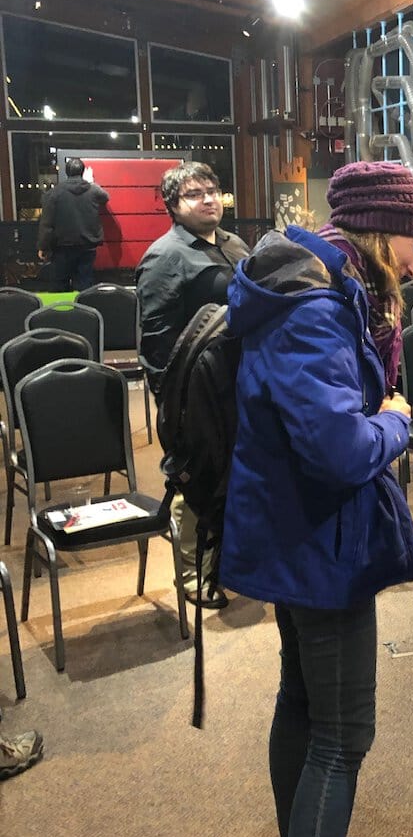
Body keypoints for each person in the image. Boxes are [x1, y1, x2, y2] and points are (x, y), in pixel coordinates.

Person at [219, 160, 413, 837]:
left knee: (303, 704)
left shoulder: (317, 289)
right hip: (317, 544)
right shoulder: (314, 308)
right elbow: (341, 447)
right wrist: (394, 422)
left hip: (294, 533)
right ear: (382, 233)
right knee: (344, 738)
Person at [136, 162, 249, 609]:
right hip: (195, 391)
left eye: (213, 189)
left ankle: (228, 561)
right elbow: (158, 342)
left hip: (240, 379)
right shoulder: (165, 256)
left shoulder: (234, 243)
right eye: (194, 193)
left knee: (236, 472)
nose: (207, 199)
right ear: (173, 206)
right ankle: (194, 577)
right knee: (196, 476)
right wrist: (175, 399)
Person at [37, 157, 109, 290]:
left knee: (60, 282)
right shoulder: (92, 190)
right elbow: (105, 197)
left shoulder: (54, 194)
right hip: (87, 245)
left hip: (62, 247)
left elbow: (47, 224)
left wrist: (43, 246)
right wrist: (91, 182)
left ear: (66, 172)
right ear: (82, 172)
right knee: (85, 282)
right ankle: (85, 308)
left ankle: (64, 310)